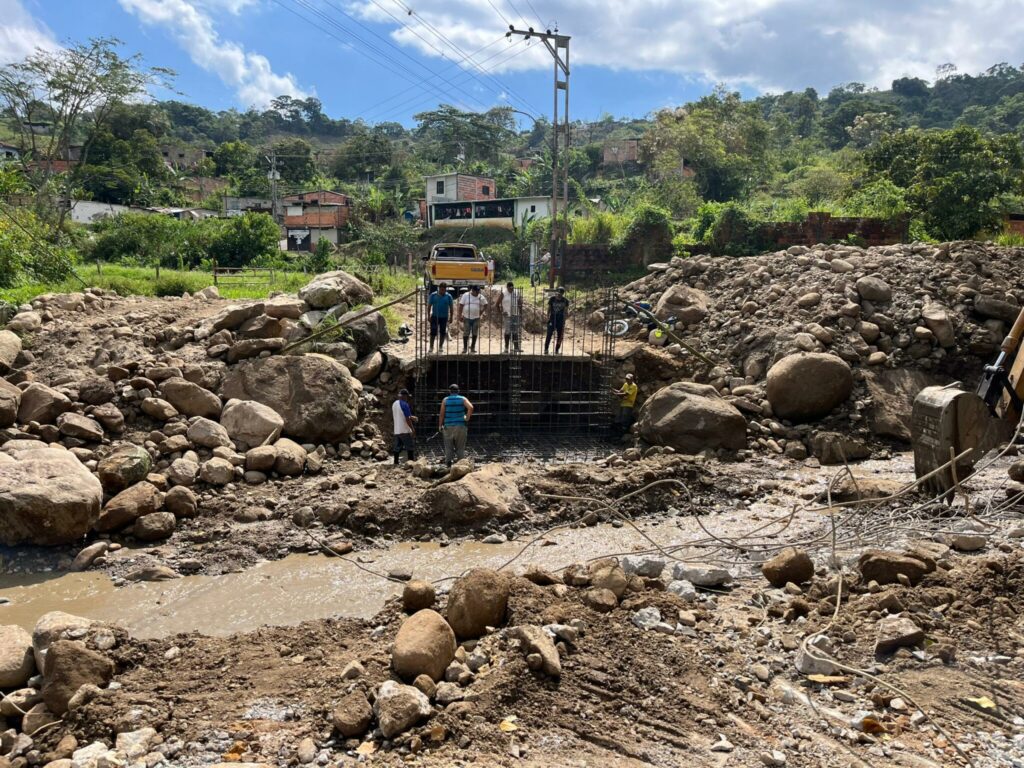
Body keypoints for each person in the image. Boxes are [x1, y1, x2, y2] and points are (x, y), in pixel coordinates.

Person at [439, 384, 473, 466]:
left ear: (449, 391)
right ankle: (461, 466)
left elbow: (442, 414)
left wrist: (440, 425)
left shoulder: (445, 400)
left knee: (448, 447)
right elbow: (471, 407)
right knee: (460, 447)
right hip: (460, 426)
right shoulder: (463, 399)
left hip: (448, 426)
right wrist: (467, 418)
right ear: (458, 391)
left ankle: (448, 464)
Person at [457, 285, 488, 353]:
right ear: (472, 291)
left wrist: (481, 312)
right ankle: (465, 348)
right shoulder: (466, 295)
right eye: (476, 291)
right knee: (466, 332)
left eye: (478, 291)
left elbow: (486, 304)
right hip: (467, 317)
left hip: (476, 318)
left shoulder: (480, 296)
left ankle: (472, 347)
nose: (477, 293)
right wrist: (459, 315)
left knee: (475, 333)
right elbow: (461, 305)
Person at [392, 388, 417, 465]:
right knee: (410, 447)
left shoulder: (394, 404)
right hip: (404, 430)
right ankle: (411, 463)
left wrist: (411, 417)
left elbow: (401, 415)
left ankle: (395, 462)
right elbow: (407, 419)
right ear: (405, 396)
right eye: (407, 396)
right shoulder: (405, 404)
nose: (407, 398)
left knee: (397, 447)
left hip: (397, 430)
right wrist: (412, 429)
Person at [428, 282, 454, 353]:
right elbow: (429, 306)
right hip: (435, 316)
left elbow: (451, 308)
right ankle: (431, 347)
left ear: (446, 289)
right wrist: (428, 316)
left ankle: (440, 346)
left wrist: (451, 317)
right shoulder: (433, 295)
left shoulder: (448, 296)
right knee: (433, 331)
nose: (443, 291)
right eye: (441, 289)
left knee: (443, 332)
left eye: (444, 290)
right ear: (439, 288)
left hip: (444, 317)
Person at [544, 286, 570, 355]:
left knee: (560, 336)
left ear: (562, 294)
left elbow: (566, 311)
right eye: (558, 293)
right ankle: (546, 349)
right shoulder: (552, 299)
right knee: (549, 334)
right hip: (552, 319)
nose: (558, 295)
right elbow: (549, 309)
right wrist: (547, 317)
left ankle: (557, 350)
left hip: (560, 320)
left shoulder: (565, 301)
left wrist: (565, 319)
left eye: (560, 294)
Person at [500, 281, 521, 352]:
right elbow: (497, 304)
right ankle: (506, 348)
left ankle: (516, 348)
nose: (511, 289)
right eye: (510, 288)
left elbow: (519, 303)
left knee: (515, 331)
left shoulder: (516, 292)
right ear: (507, 287)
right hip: (507, 316)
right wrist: (502, 312)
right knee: (507, 331)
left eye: (512, 288)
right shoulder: (503, 293)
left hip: (515, 315)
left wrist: (520, 313)